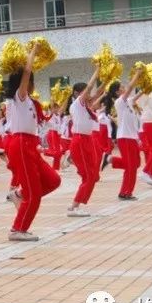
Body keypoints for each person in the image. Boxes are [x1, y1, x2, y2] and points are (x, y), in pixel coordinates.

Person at [3, 44, 62, 241]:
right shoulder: (18, 98)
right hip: (20, 144)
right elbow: (27, 71)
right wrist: (34, 50)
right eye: (30, 80)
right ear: (24, 83)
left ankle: (20, 194)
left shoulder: (28, 101)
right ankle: (17, 229)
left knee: (54, 180)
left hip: (30, 145)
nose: (32, 83)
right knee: (34, 194)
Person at [66, 70, 103, 217]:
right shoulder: (77, 104)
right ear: (77, 93)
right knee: (88, 176)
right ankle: (75, 207)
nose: (88, 94)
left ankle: (77, 205)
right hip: (80, 140)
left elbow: (98, 92)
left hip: (87, 140)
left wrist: (107, 76)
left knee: (93, 175)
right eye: (85, 92)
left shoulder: (86, 106)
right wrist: (97, 70)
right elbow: (90, 87)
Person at [109, 68, 144, 201]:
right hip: (125, 137)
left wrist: (147, 84)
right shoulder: (120, 102)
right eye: (122, 87)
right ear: (118, 92)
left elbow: (139, 93)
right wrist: (137, 73)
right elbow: (130, 87)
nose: (125, 88)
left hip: (132, 138)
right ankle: (125, 192)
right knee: (130, 166)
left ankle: (111, 160)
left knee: (135, 164)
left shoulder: (129, 102)